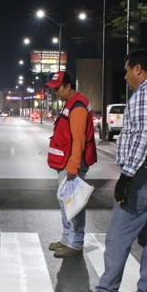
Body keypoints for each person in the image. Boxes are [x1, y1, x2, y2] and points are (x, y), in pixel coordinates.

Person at [72, 49, 147, 292]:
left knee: (117, 237)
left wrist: (127, 176)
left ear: (138, 68)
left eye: (128, 69)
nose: (126, 75)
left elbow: (141, 137)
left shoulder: (144, 94)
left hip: (142, 175)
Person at [44, 70, 97, 258]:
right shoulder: (72, 103)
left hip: (72, 164)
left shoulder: (78, 107)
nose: (56, 92)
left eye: (58, 88)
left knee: (73, 202)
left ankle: (74, 243)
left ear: (69, 86)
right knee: (66, 202)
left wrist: (73, 166)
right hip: (66, 163)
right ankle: (67, 239)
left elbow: (79, 139)